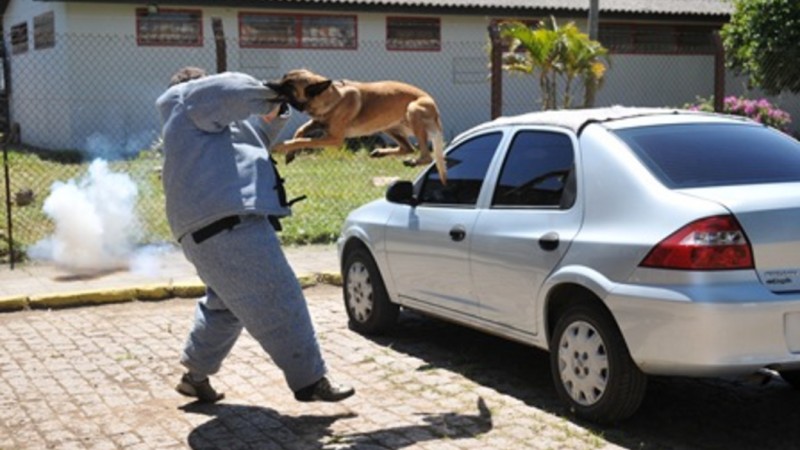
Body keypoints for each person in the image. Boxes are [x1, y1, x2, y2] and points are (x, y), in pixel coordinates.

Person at [156, 66, 354, 403]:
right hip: (229, 224)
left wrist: (278, 110)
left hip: (206, 230)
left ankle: (195, 376)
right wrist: (279, 91)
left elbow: (256, 138)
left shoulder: (198, 127)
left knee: (226, 306)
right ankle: (310, 379)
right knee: (281, 295)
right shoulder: (188, 97)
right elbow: (230, 88)